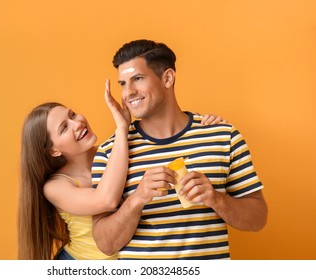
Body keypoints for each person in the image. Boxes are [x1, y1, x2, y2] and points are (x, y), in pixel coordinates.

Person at [91, 39, 268, 260]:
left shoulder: (223, 136)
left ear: (167, 78)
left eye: (137, 79)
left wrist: (216, 199)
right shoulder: (111, 153)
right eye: (123, 83)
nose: (128, 93)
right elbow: (105, 244)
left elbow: (258, 219)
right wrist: (137, 198)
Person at [17, 78, 225, 260]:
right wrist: (122, 127)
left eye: (73, 115)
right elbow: (106, 200)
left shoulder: (114, 151)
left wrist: (201, 126)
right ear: (53, 150)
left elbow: (168, 144)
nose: (77, 123)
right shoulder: (55, 186)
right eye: (64, 128)